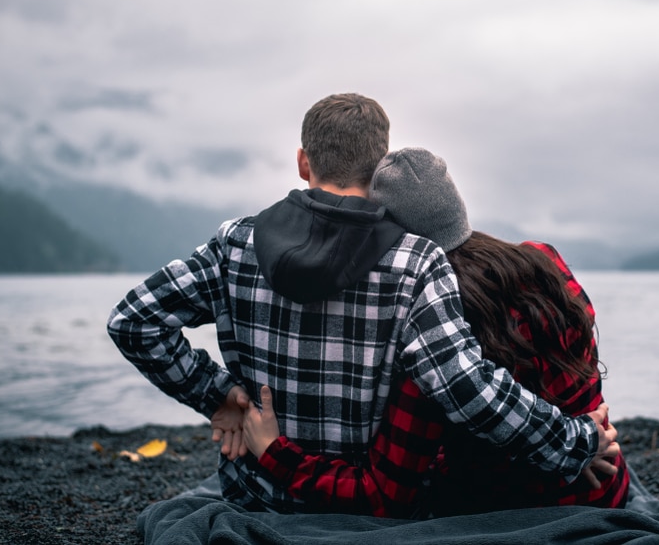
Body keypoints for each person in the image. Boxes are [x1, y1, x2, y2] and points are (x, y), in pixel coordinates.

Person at [108, 94, 618, 514]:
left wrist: (218, 396)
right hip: (368, 509)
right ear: (378, 173)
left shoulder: (235, 244)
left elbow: (133, 321)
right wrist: (573, 441)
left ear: (303, 161)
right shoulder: (416, 263)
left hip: (255, 494)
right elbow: (465, 386)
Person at [241, 147, 628, 517]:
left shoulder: (434, 332)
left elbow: (382, 496)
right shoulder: (544, 260)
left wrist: (275, 453)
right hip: (607, 490)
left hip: (516, 519)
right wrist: (582, 442)